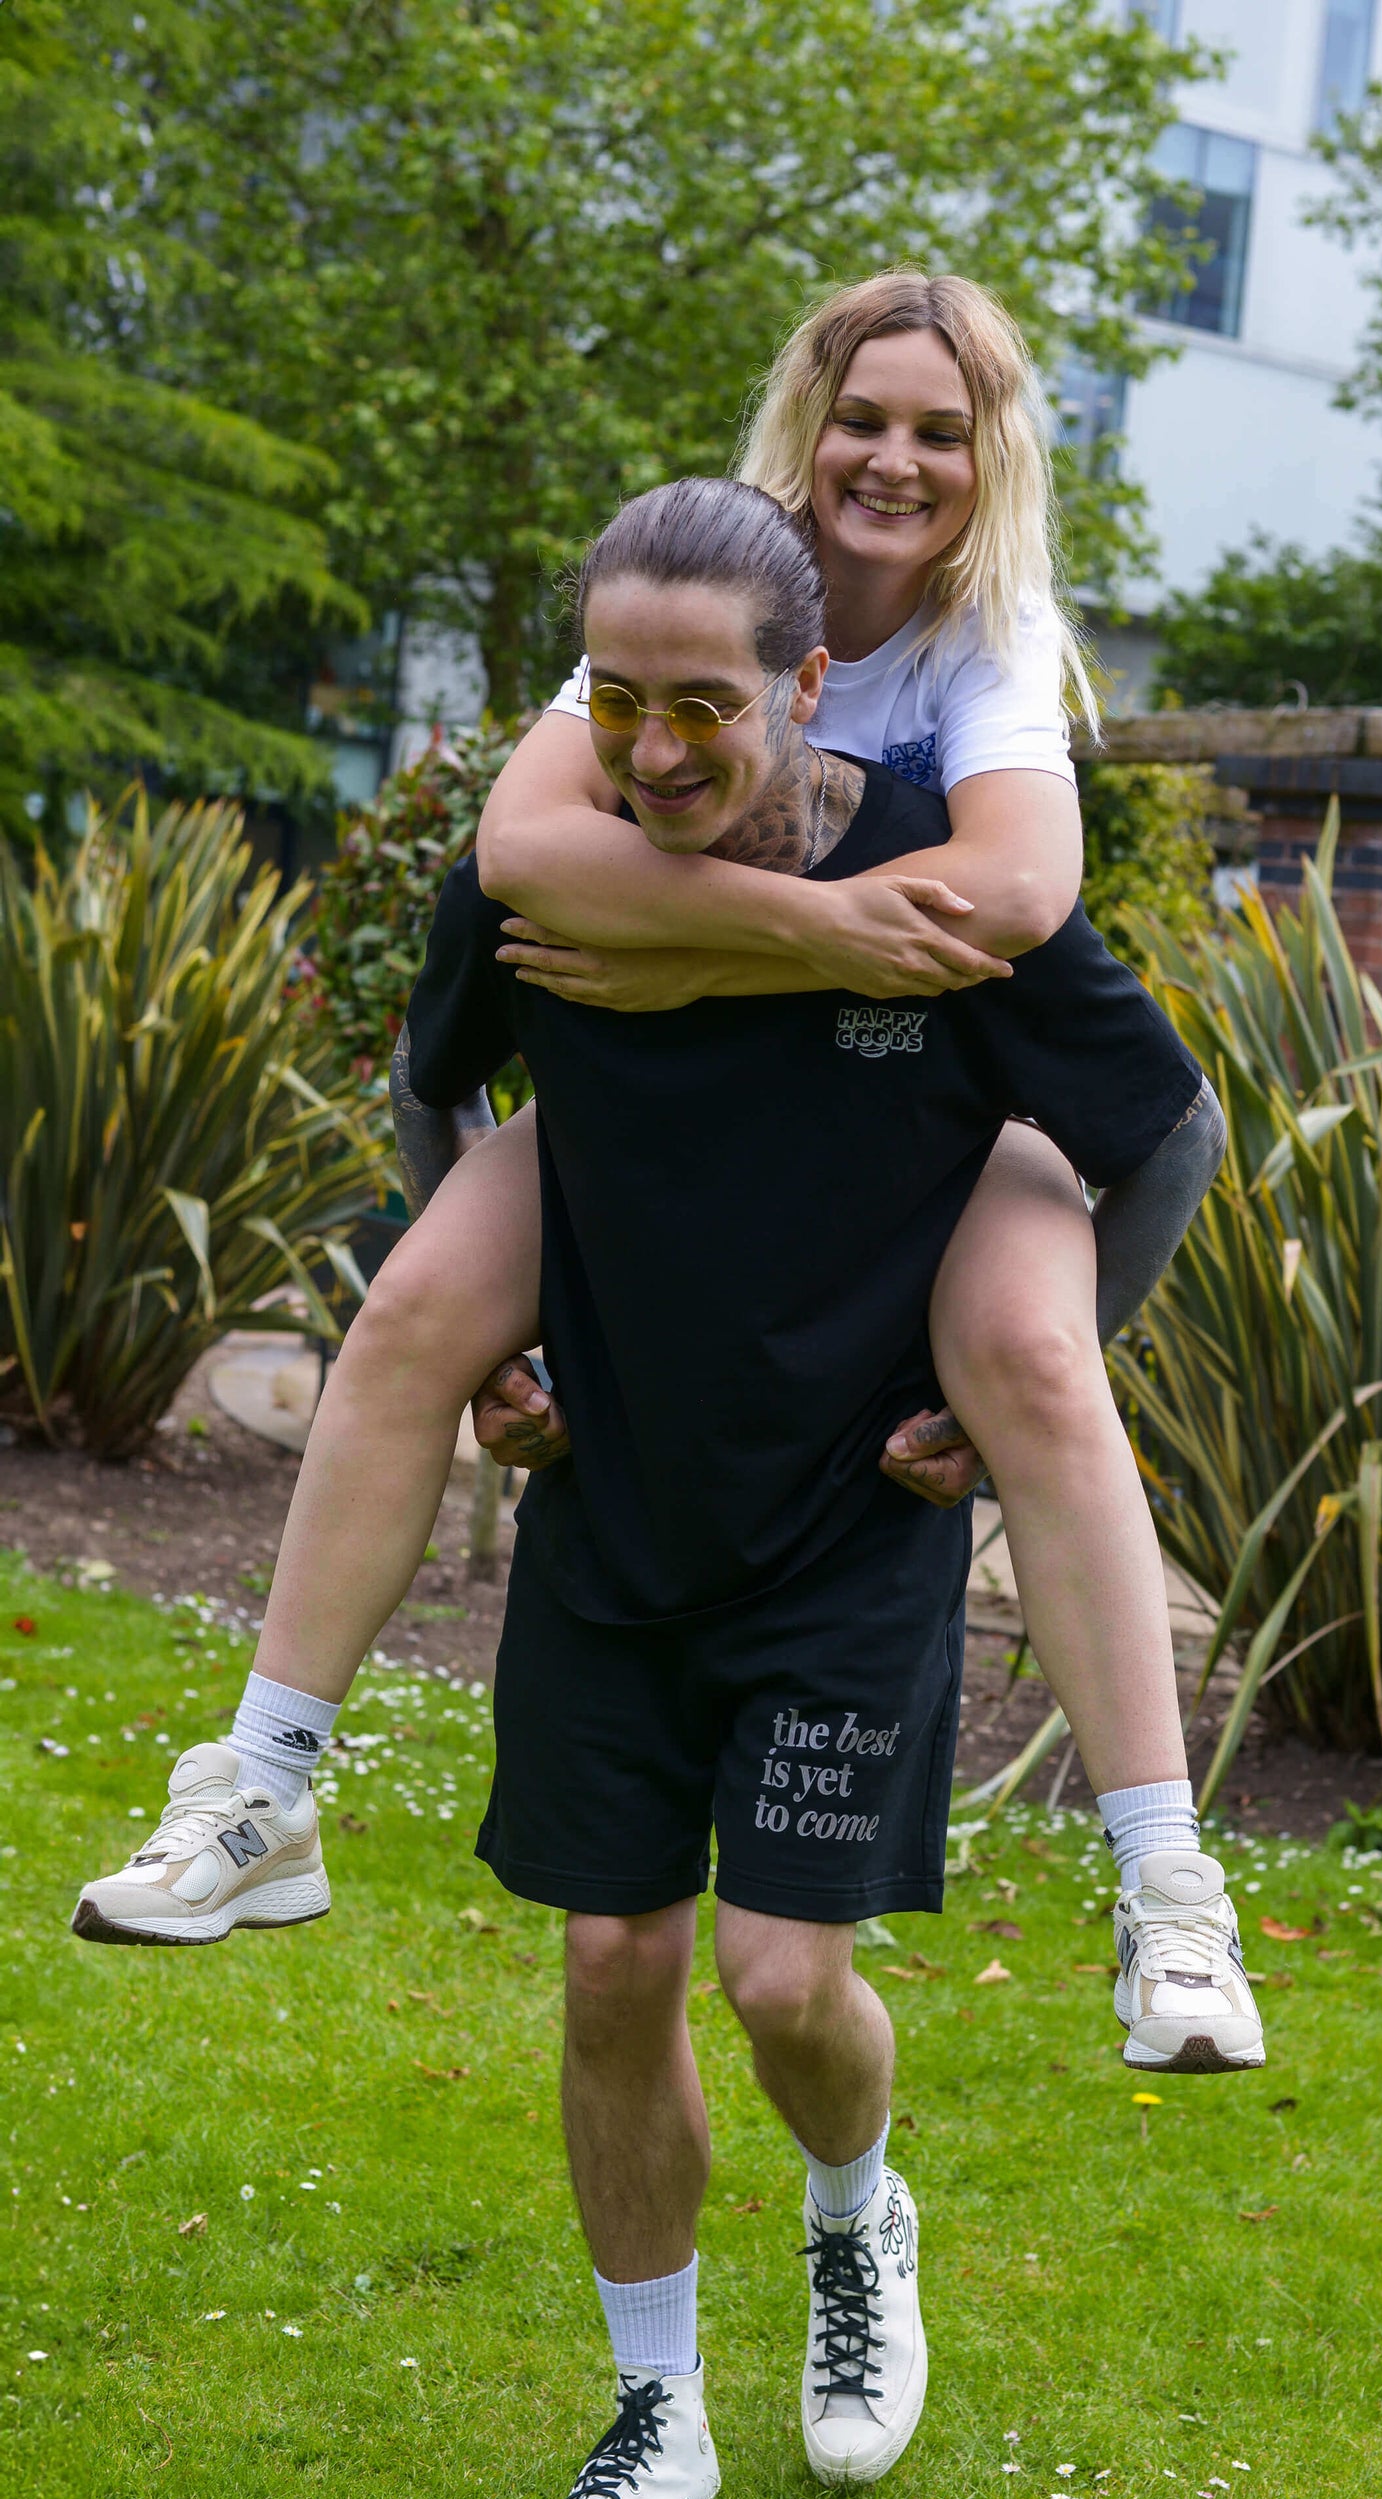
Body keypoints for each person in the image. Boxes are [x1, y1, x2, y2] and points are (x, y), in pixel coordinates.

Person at [69, 272, 1258, 2083]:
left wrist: (713, 949)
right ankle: (262, 1783)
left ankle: (1166, 1883)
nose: (894, 456)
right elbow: (526, 846)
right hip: (679, 1110)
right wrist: (788, 932)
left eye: (941, 429)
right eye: (864, 414)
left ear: (991, 456)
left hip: (934, 1111)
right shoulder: (691, 586)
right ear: (805, 416)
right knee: (412, 1311)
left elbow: (1010, 902)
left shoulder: (985, 636)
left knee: (1034, 1360)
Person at [399, 481, 1251, 2499]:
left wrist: (1021, 1373)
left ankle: (859, 2219)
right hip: (617, 1498)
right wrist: (475, 1330)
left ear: (806, 684)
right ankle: (651, 2412)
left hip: (850, 1509)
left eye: (710, 702)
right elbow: (433, 1076)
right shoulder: (557, 874)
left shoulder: (949, 886)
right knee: (612, 1957)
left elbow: (1161, 1132)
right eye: (623, 701)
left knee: (784, 1981)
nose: (662, 747)